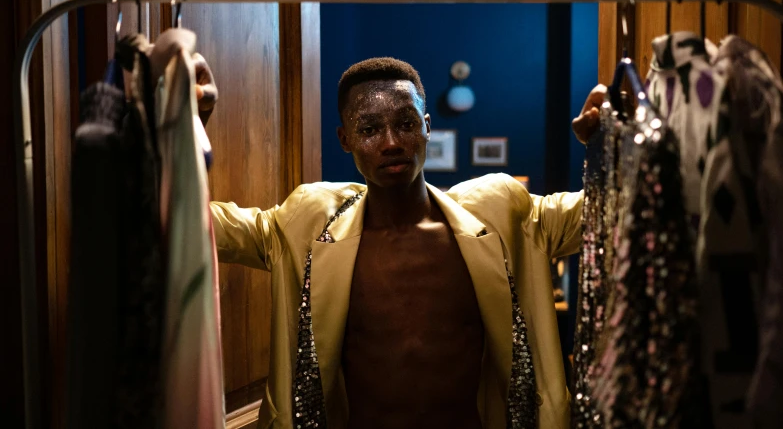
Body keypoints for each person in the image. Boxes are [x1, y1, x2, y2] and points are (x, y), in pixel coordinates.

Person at [206, 57, 604, 429]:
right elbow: (201, 226)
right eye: (369, 129)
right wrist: (186, 136)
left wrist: (612, 143)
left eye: (406, 123)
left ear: (427, 126)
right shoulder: (303, 225)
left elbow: (611, 214)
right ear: (345, 139)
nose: (391, 142)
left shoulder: (505, 214)